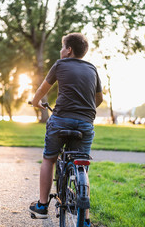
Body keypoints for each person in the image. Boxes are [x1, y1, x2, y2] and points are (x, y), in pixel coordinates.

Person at [29, 33, 103, 227]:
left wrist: (36, 103)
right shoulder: (92, 69)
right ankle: (85, 218)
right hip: (86, 123)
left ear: (68, 50)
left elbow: (42, 90)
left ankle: (42, 206)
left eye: (63, 47)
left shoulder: (60, 64)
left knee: (49, 158)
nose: (61, 50)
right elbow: (99, 99)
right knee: (83, 166)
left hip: (61, 120)